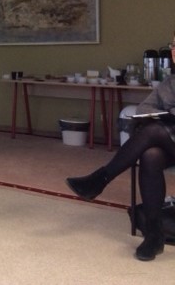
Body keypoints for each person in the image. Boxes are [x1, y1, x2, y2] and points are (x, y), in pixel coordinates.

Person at [66, 37, 175, 261]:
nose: (174, 51)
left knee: (153, 131)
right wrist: (166, 114)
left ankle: (100, 179)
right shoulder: (170, 82)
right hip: (171, 144)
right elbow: (144, 107)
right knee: (150, 155)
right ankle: (154, 235)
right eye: (174, 46)